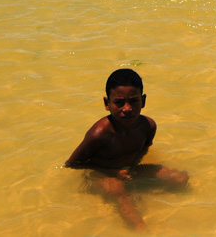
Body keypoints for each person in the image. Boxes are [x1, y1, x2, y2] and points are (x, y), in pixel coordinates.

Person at [66, 68, 189, 231]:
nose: (127, 108)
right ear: (106, 104)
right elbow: (72, 164)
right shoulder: (100, 134)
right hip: (101, 175)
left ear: (143, 101)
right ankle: (141, 230)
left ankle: (138, 192)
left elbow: (144, 151)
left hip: (128, 170)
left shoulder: (148, 126)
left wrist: (134, 172)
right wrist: (111, 173)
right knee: (118, 190)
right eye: (119, 102)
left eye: (134, 101)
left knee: (180, 178)